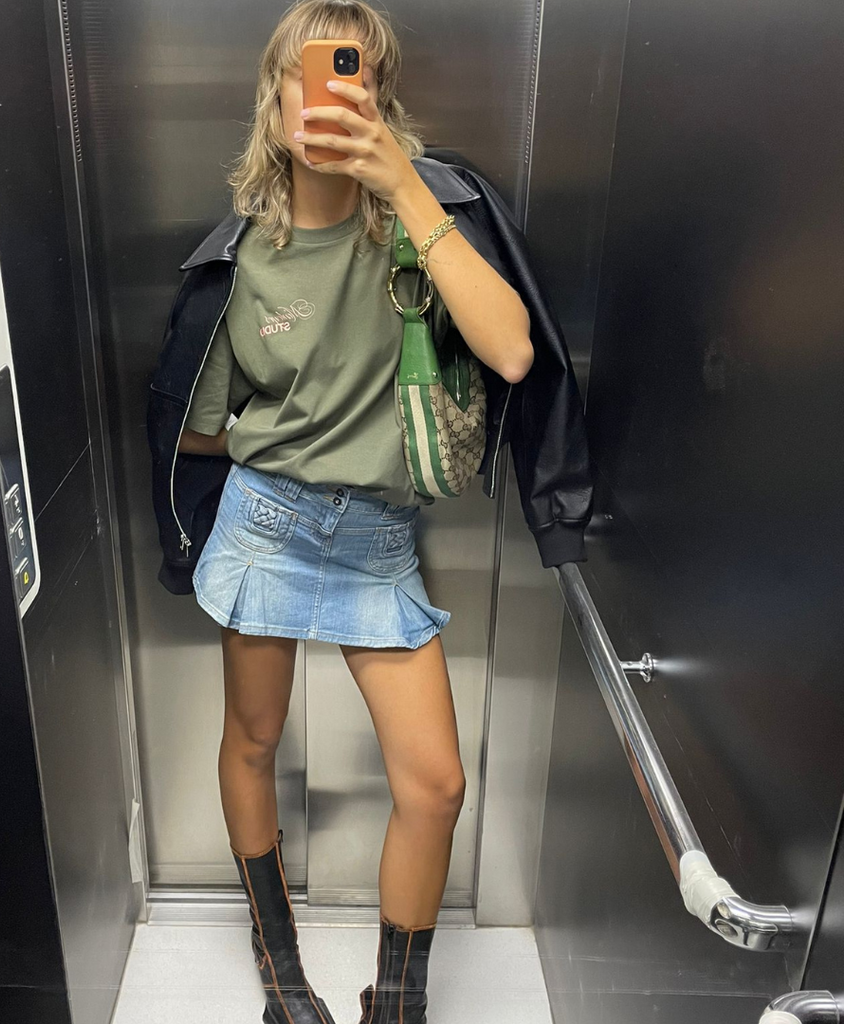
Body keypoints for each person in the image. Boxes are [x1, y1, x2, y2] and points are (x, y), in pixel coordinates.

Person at [170, 2, 536, 1021]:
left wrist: (403, 182)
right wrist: (284, 441)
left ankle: (398, 1006)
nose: (329, 93)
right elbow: (195, 426)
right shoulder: (242, 259)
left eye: (353, 74)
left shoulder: (422, 227)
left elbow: (512, 351)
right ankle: (281, 978)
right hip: (266, 526)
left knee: (436, 784)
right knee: (252, 742)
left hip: (378, 542)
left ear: (378, 97)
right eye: (309, 73)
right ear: (275, 96)